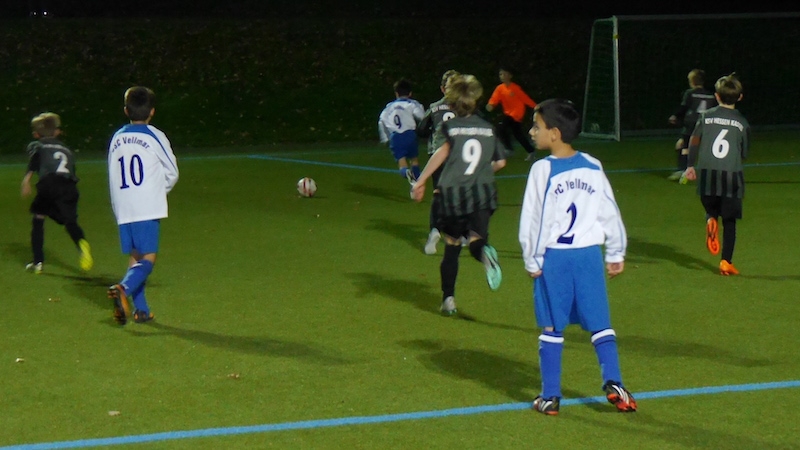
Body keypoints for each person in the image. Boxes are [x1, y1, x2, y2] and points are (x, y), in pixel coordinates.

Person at [519, 99, 636, 415]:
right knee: (600, 323)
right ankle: (615, 383)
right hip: (588, 258)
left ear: (554, 133)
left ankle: (550, 396)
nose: (532, 132)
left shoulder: (543, 169)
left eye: (537, 126)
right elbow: (608, 210)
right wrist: (615, 251)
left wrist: (532, 259)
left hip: (555, 260)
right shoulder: (593, 165)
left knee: (552, 327)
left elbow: (534, 220)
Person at [411, 74, 507, 316]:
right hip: (483, 195)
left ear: (453, 103)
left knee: (452, 246)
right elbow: (501, 162)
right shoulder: (488, 128)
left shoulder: (451, 128)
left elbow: (441, 154)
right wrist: (481, 171)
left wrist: (421, 181)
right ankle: (484, 254)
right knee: (476, 240)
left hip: (455, 196)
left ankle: (448, 300)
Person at [107, 86, 179, 325]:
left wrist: (118, 204)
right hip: (146, 205)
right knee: (148, 257)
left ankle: (142, 309)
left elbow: (112, 174)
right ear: (152, 111)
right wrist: (155, 192)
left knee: (135, 256)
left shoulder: (117, 138)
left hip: (123, 205)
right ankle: (123, 288)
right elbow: (172, 172)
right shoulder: (154, 135)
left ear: (126, 110)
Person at [683, 73, 749, 276]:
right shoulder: (742, 122)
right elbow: (744, 152)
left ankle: (711, 217)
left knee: (711, 206)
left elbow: (694, 140)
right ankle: (726, 261)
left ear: (717, 96)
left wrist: (690, 166)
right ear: (740, 97)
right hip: (731, 176)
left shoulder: (706, 117)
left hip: (707, 174)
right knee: (729, 221)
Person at [20, 112, 93, 274]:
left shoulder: (38, 145)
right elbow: (72, 170)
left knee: (38, 218)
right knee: (70, 222)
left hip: (49, 183)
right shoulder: (67, 150)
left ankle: (38, 262)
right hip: (69, 186)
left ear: (36, 134)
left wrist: (26, 180)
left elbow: (35, 160)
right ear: (57, 132)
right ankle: (81, 242)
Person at [416, 69, 459, 255]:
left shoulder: (434, 107)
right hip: (459, 155)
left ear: (443, 89)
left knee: (439, 194)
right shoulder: (465, 107)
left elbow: (421, 129)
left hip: (438, 155)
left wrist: (433, 131)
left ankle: (434, 231)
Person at [667, 69, 717, 182]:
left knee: (683, 147)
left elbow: (684, 107)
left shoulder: (690, 93)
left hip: (691, 125)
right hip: (706, 126)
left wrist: (675, 116)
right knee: (706, 149)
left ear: (692, 81)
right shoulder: (710, 95)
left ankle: (683, 171)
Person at [378, 78, 425, 185]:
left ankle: (406, 173)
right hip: (410, 135)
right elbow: (422, 116)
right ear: (410, 93)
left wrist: (385, 138)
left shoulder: (389, 107)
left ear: (396, 93)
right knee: (414, 159)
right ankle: (417, 183)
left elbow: (381, 121)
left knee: (401, 161)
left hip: (395, 137)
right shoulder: (412, 104)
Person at [486, 67, 537, 161]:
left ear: (510, 76)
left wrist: (535, 106)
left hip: (517, 113)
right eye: (501, 74)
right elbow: (494, 98)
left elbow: (525, 98)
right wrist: (491, 104)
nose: (502, 76)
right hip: (508, 114)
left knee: (501, 128)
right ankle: (531, 151)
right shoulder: (500, 88)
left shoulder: (515, 88)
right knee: (517, 134)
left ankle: (509, 149)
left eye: (505, 74)